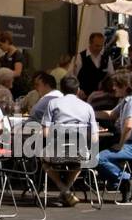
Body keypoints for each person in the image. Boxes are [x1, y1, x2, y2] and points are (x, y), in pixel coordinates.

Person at [41, 75, 99, 207]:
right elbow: (94, 138)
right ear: (78, 90)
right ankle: (66, 190)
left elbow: (45, 133)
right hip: (80, 153)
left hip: (56, 153)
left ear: (61, 90)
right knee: (80, 160)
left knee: (43, 161)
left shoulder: (53, 103)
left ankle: (64, 189)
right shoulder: (87, 107)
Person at [96, 72, 132, 203]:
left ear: (125, 86)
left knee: (98, 158)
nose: (113, 88)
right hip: (131, 143)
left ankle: (127, 180)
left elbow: (129, 125)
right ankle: (123, 184)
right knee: (97, 155)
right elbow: (111, 114)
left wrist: (120, 145)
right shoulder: (126, 100)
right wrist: (88, 111)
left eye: (116, 85)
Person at [74, 32, 113, 100]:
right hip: (83, 96)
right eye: (97, 46)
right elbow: (72, 77)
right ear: (90, 43)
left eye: (101, 45)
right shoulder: (80, 57)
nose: (100, 48)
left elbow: (112, 75)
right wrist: (78, 90)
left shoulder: (106, 58)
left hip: (101, 97)